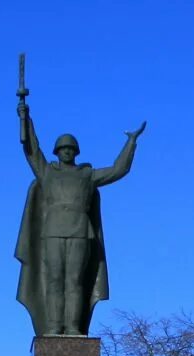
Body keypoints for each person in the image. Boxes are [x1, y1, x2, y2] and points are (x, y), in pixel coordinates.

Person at [15, 99, 145, 336]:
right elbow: (31, 149)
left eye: (70, 148)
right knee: (54, 280)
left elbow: (119, 170)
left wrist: (131, 142)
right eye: (63, 148)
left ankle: (74, 328)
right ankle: (54, 327)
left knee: (75, 281)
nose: (67, 151)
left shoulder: (87, 175)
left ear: (76, 152)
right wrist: (25, 117)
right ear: (57, 152)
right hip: (52, 232)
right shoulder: (47, 172)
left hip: (80, 233)